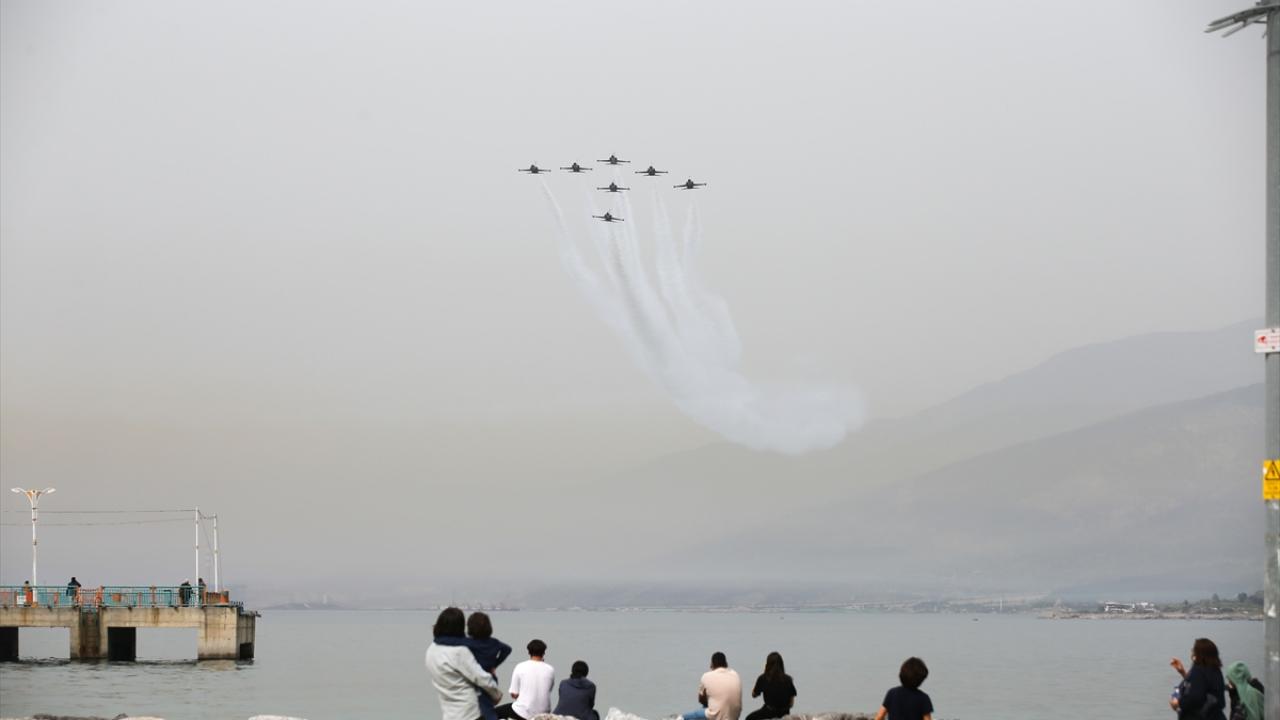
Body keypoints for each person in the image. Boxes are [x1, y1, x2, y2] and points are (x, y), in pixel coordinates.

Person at [433, 611, 513, 720]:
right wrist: (495, 664)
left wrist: (438, 639)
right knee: (487, 705)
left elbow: (451, 641)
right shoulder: (494, 642)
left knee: (484, 707)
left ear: (469, 628)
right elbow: (507, 649)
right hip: (491, 676)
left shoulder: (469, 642)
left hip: (477, 680)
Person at [496, 639, 555, 720]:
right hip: (544, 713)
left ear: (529, 652)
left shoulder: (520, 666)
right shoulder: (550, 669)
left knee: (492, 713)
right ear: (544, 652)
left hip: (523, 713)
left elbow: (514, 694)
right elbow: (547, 690)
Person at [1170, 638, 1226, 720]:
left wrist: (1177, 703)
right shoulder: (1216, 670)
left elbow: (1195, 698)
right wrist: (1183, 672)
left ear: (1199, 653)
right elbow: (1201, 686)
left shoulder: (1198, 670)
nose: (1192, 651)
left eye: (1194, 649)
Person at [678, 652, 742, 720]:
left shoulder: (706, 676)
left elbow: (701, 699)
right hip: (734, 716)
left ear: (712, 664)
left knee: (685, 717)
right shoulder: (736, 675)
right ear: (726, 664)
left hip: (716, 716)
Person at [745, 652, 796, 720]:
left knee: (749, 718)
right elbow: (791, 704)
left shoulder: (763, 678)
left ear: (767, 664)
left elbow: (754, 695)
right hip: (784, 713)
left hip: (769, 712)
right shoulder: (788, 679)